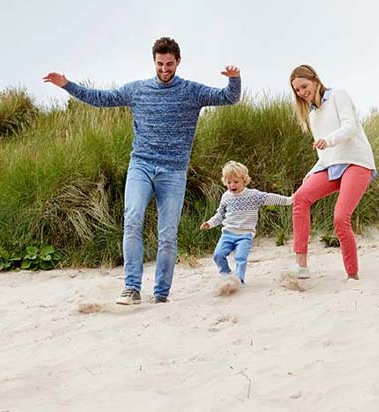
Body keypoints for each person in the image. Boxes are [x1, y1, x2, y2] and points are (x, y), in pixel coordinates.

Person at [43, 36, 242, 305]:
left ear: (178, 62)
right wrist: (67, 85)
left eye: (169, 64)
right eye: (160, 64)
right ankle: (131, 288)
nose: (164, 69)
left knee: (167, 234)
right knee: (133, 219)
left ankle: (161, 294)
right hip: (142, 165)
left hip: (173, 171)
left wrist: (234, 78)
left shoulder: (191, 92)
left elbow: (229, 97)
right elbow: (101, 98)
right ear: (154, 62)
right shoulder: (138, 90)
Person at [287, 64, 377, 280]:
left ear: (316, 80)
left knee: (340, 218)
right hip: (331, 166)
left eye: (304, 86)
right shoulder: (313, 115)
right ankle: (301, 265)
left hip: (356, 162)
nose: (301, 92)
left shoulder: (338, 95)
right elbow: (324, 155)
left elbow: (350, 127)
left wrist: (329, 140)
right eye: (297, 90)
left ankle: (352, 275)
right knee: (300, 197)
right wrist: (312, 172)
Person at [200, 161, 292, 290]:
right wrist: (210, 223)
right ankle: (226, 276)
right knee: (218, 255)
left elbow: (270, 197)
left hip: (245, 234)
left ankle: (239, 280)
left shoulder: (253, 195)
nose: (232, 185)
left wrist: (289, 200)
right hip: (228, 233)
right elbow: (220, 215)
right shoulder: (226, 197)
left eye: (236, 182)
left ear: (244, 180)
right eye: (229, 182)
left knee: (240, 257)